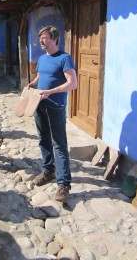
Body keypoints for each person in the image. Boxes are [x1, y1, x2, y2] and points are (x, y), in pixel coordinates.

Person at [27, 26, 78, 203]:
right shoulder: (42, 58)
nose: (41, 40)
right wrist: (33, 84)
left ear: (54, 39)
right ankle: (48, 171)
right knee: (43, 139)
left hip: (56, 106)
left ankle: (64, 184)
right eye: (40, 37)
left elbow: (73, 83)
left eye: (45, 37)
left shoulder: (65, 58)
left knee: (59, 144)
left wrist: (51, 91)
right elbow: (40, 77)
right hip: (39, 103)